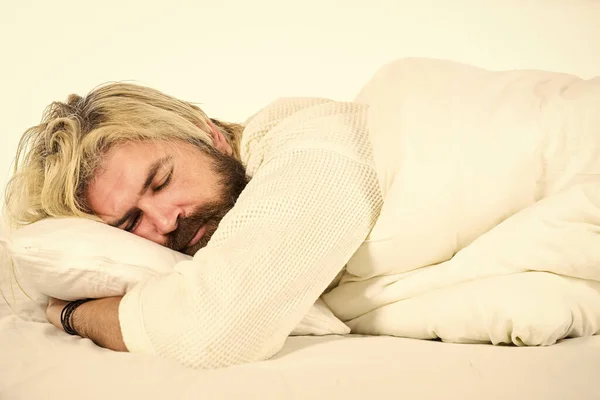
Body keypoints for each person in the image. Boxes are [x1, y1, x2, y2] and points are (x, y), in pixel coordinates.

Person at [4, 76, 382, 368]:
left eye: (162, 181)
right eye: (131, 223)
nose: (166, 221)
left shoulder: (316, 146)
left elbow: (215, 330)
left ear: (207, 134)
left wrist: (71, 314)